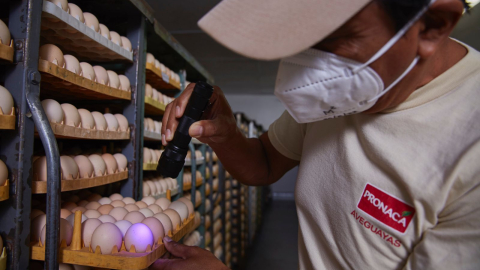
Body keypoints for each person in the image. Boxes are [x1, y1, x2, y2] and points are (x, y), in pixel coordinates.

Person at [151, 0, 480, 269]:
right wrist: (225, 134)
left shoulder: (470, 147)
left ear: (433, 24)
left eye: (335, 38)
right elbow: (264, 164)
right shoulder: (335, 98)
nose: (308, 67)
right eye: (299, 38)